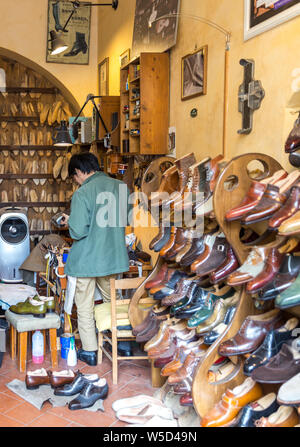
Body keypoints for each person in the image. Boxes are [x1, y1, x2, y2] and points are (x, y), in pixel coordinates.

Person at [61, 152, 131, 366]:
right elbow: (124, 219)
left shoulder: (83, 193)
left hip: (87, 261)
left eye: (75, 176)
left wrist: (69, 221)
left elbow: (77, 232)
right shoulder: (121, 188)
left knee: (84, 305)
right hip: (113, 257)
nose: (76, 180)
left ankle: (90, 351)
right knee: (113, 301)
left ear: (80, 171)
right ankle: (123, 344)